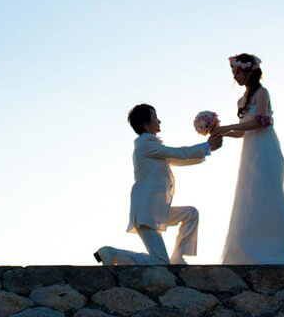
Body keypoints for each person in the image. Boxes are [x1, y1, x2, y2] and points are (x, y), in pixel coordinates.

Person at [94, 104, 222, 265]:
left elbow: (176, 158)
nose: (159, 121)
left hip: (155, 210)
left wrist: (208, 150)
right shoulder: (145, 143)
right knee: (160, 261)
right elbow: (176, 153)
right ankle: (111, 254)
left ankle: (178, 257)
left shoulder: (151, 146)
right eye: (155, 117)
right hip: (146, 212)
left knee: (191, 213)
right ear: (145, 123)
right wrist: (207, 146)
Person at [213, 54, 284, 264]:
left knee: (269, 193)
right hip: (249, 152)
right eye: (233, 73)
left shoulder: (262, 93)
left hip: (266, 148)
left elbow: (259, 122)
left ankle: (279, 250)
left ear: (249, 71)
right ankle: (248, 251)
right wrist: (221, 132)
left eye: (238, 72)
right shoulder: (241, 101)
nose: (235, 76)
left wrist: (229, 126)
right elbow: (243, 131)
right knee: (249, 195)